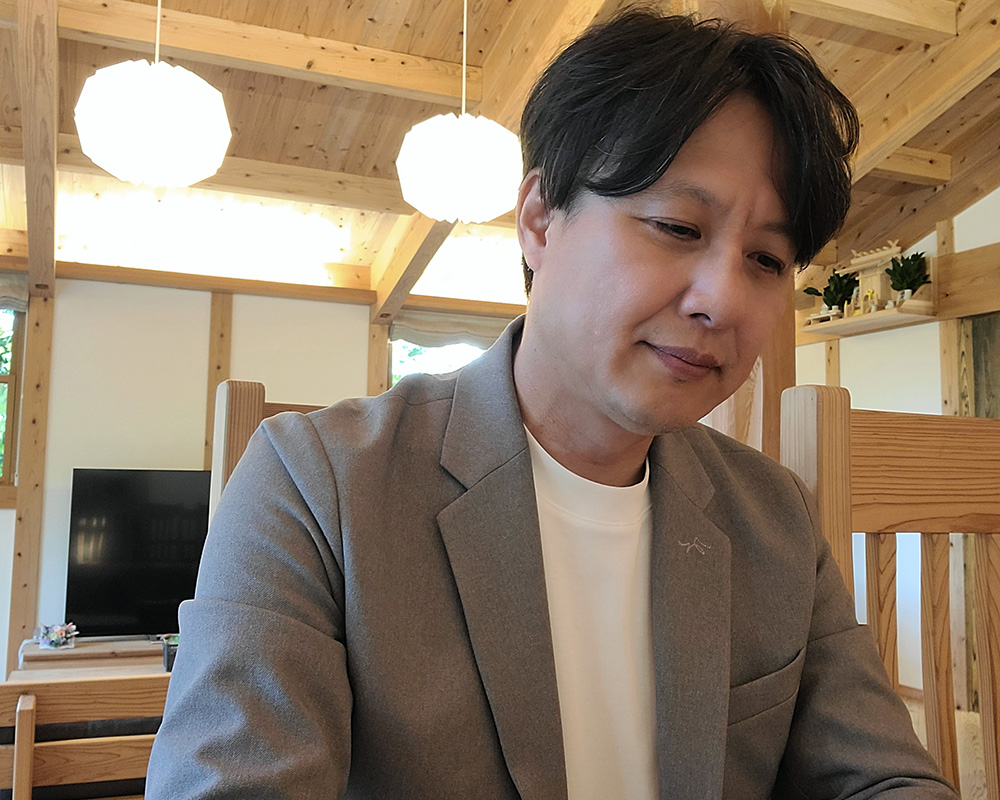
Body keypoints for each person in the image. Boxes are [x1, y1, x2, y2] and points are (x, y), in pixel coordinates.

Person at [146, 10, 957, 800]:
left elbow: (884, 777)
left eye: (767, 260)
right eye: (678, 227)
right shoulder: (315, 486)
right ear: (538, 219)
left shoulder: (773, 516)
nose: (722, 298)